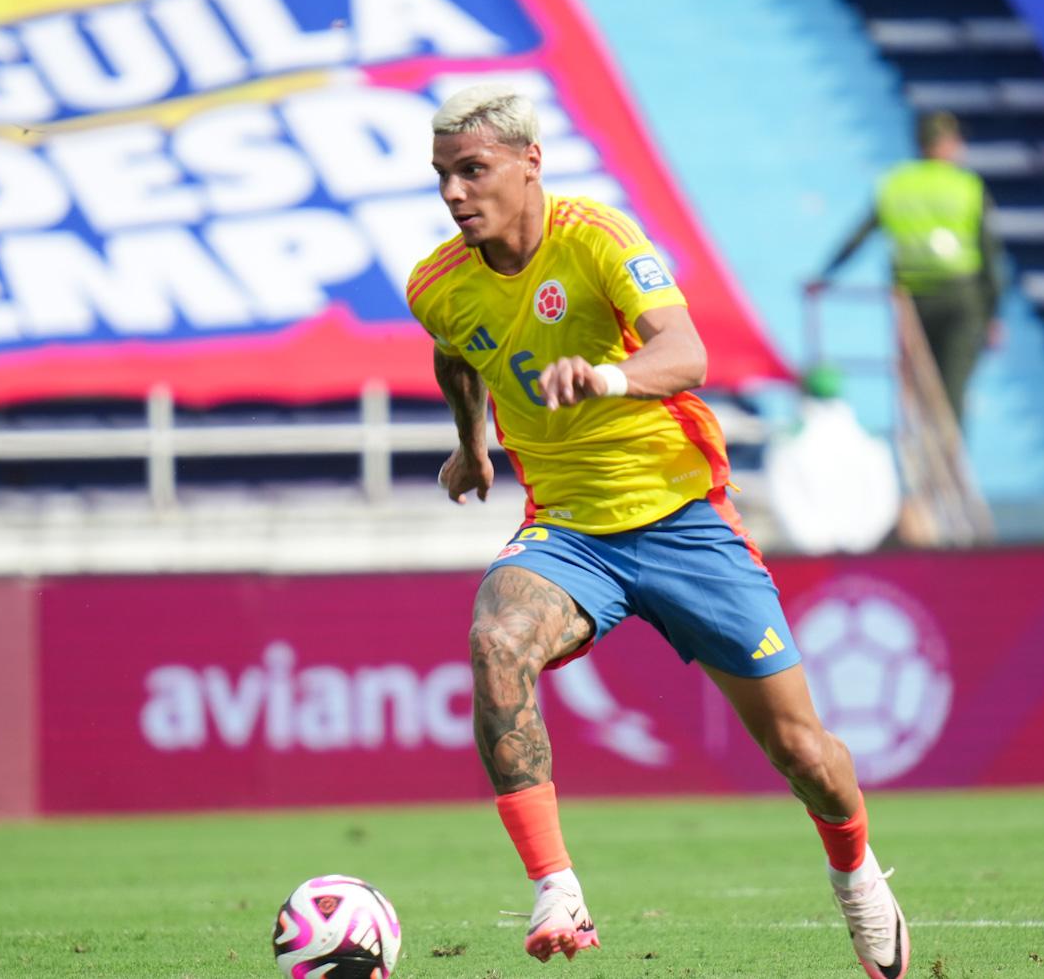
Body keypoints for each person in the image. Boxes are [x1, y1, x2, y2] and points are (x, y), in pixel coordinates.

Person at [408, 85, 911, 976]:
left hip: (683, 522)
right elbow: (456, 353)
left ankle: (857, 874)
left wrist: (607, 378)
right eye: (444, 174)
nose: (454, 192)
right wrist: (471, 445)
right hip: (568, 533)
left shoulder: (599, 237)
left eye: (472, 170)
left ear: (530, 163)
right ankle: (556, 887)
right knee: (496, 639)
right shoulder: (438, 285)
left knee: (803, 752)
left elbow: (688, 354)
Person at [805, 111, 1003, 426]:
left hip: (912, 299)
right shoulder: (967, 186)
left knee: (918, 386)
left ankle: (922, 447)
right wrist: (994, 312)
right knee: (952, 390)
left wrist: (825, 275)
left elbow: (859, 235)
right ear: (947, 143)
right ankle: (948, 460)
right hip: (961, 299)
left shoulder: (896, 184)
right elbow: (990, 256)